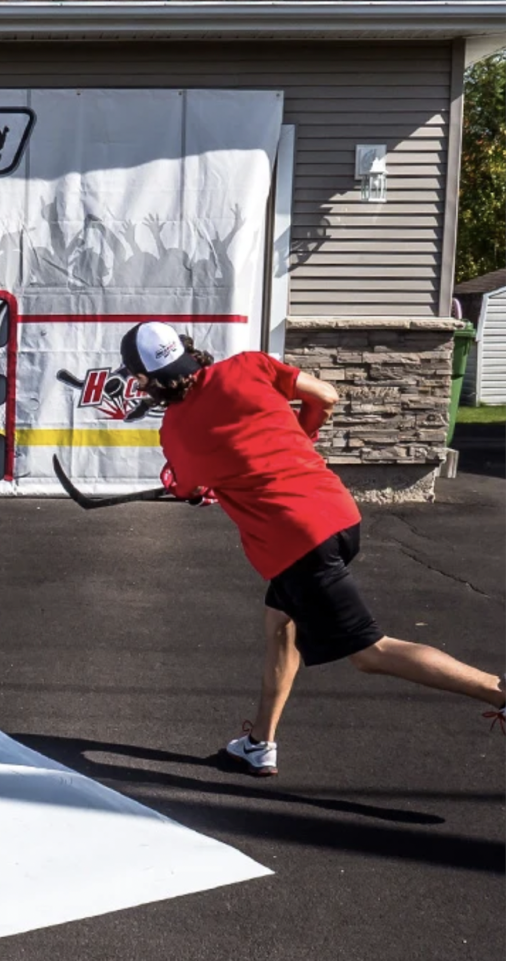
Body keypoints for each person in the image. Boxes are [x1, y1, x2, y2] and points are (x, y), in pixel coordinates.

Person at [117, 321, 506, 776]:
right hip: (338, 516)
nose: (138, 384)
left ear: (155, 379)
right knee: (280, 626)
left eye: (138, 376)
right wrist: (302, 435)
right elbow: (325, 395)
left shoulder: (177, 429)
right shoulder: (249, 365)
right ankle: (260, 743)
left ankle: (498, 691)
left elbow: (188, 488)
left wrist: (196, 489)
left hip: (298, 545)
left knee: (370, 653)